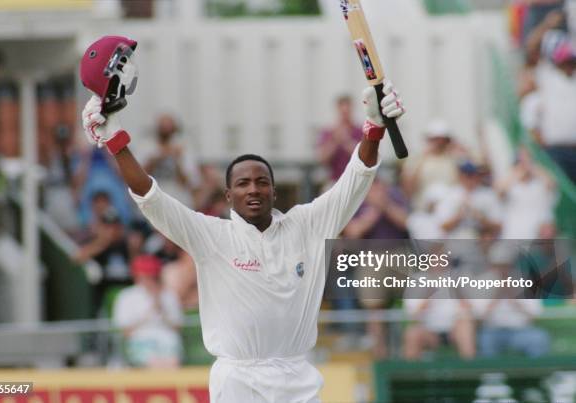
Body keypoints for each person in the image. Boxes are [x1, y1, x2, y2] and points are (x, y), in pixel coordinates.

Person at [80, 47, 405, 401]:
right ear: (228, 194)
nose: (254, 189)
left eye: (262, 182)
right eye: (243, 183)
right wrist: (115, 139)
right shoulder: (211, 235)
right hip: (238, 379)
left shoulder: (307, 224)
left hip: (298, 375)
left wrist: (373, 128)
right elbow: (151, 197)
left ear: (274, 191)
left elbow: (354, 183)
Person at [113, 254, 184, 368]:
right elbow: (125, 331)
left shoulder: (169, 295)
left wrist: (161, 308)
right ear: (137, 276)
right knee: (155, 364)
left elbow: (177, 328)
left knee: (172, 362)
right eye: (146, 275)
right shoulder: (126, 296)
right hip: (140, 343)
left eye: (153, 276)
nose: (150, 280)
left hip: (168, 343)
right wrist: (148, 313)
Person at [316, 95, 363, 182]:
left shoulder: (360, 131)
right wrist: (335, 141)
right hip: (334, 180)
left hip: (356, 180)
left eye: (347, 112)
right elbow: (322, 159)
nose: (345, 116)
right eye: (342, 112)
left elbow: (363, 157)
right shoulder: (328, 132)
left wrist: (346, 141)